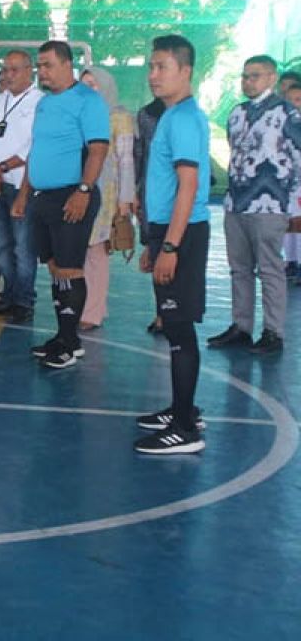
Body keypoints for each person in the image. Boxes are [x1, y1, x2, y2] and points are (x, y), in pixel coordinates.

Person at [134, 34, 211, 455]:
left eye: (162, 66)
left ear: (186, 71)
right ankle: (183, 408)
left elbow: (188, 186)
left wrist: (171, 247)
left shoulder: (182, 119)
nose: (153, 75)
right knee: (174, 327)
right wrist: (155, 241)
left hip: (182, 235)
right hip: (168, 231)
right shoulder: (172, 116)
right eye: (151, 66)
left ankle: (185, 429)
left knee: (179, 330)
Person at [13, 40, 110, 369]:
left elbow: (98, 150)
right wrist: (24, 194)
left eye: (47, 65)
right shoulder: (44, 104)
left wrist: (83, 190)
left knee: (70, 269)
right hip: (43, 198)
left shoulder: (88, 100)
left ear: (67, 65)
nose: (42, 72)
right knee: (55, 269)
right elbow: (36, 151)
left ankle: (70, 344)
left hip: (71, 195)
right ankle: (64, 335)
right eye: (39, 66)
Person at [207, 55, 301, 354]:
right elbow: (235, 155)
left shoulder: (288, 114)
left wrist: (293, 202)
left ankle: (273, 332)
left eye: (256, 76)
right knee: (240, 269)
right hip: (236, 203)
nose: (248, 81)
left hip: (270, 204)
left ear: (272, 78)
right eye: (245, 76)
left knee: (271, 269)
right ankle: (241, 327)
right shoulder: (236, 114)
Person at [0, 50, 41, 323]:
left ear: (29, 71)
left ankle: (24, 300)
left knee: (23, 247)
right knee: (0, 245)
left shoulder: (39, 103)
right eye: (5, 70)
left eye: (15, 70)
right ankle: (8, 295)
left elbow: (33, 145)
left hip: (20, 184)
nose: (8, 75)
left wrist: (0, 167)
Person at [78, 67, 136, 330]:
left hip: (106, 190)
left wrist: (125, 199)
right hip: (78, 187)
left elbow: (126, 160)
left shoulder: (119, 117)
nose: (89, 89)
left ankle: (93, 312)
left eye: (94, 84)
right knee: (80, 250)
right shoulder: (79, 115)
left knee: (97, 250)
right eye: (84, 84)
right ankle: (88, 305)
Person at [133, 96, 167, 334]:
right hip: (151, 192)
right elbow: (139, 153)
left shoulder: (187, 114)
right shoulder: (145, 114)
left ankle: (176, 313)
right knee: (156, 253)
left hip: (179, 194)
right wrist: (134, 190)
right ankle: (162, 313)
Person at [285, 82, 301, 285]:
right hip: (286, 184)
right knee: (288, 224)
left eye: (298, 100)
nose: (293, 104)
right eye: (289, 100)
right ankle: (290, 261)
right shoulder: (281, 125)